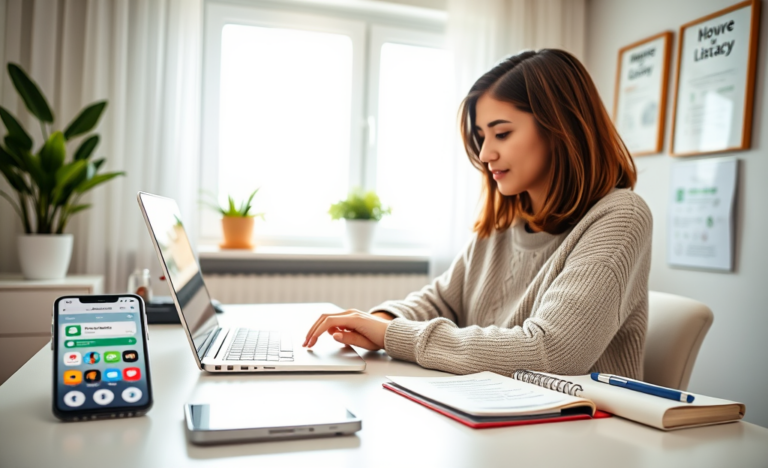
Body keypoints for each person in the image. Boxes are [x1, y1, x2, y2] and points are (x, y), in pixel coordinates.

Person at [303, 49, 652, 379]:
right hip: (497, 412)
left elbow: (552, 352)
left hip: (583, 428)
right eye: (481, 136)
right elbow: (442, 301)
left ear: (560, 128)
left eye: (501, 133)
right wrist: (380, 319)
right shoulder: (504, 223)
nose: (485, 154)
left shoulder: (621, 217)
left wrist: (392, 335)